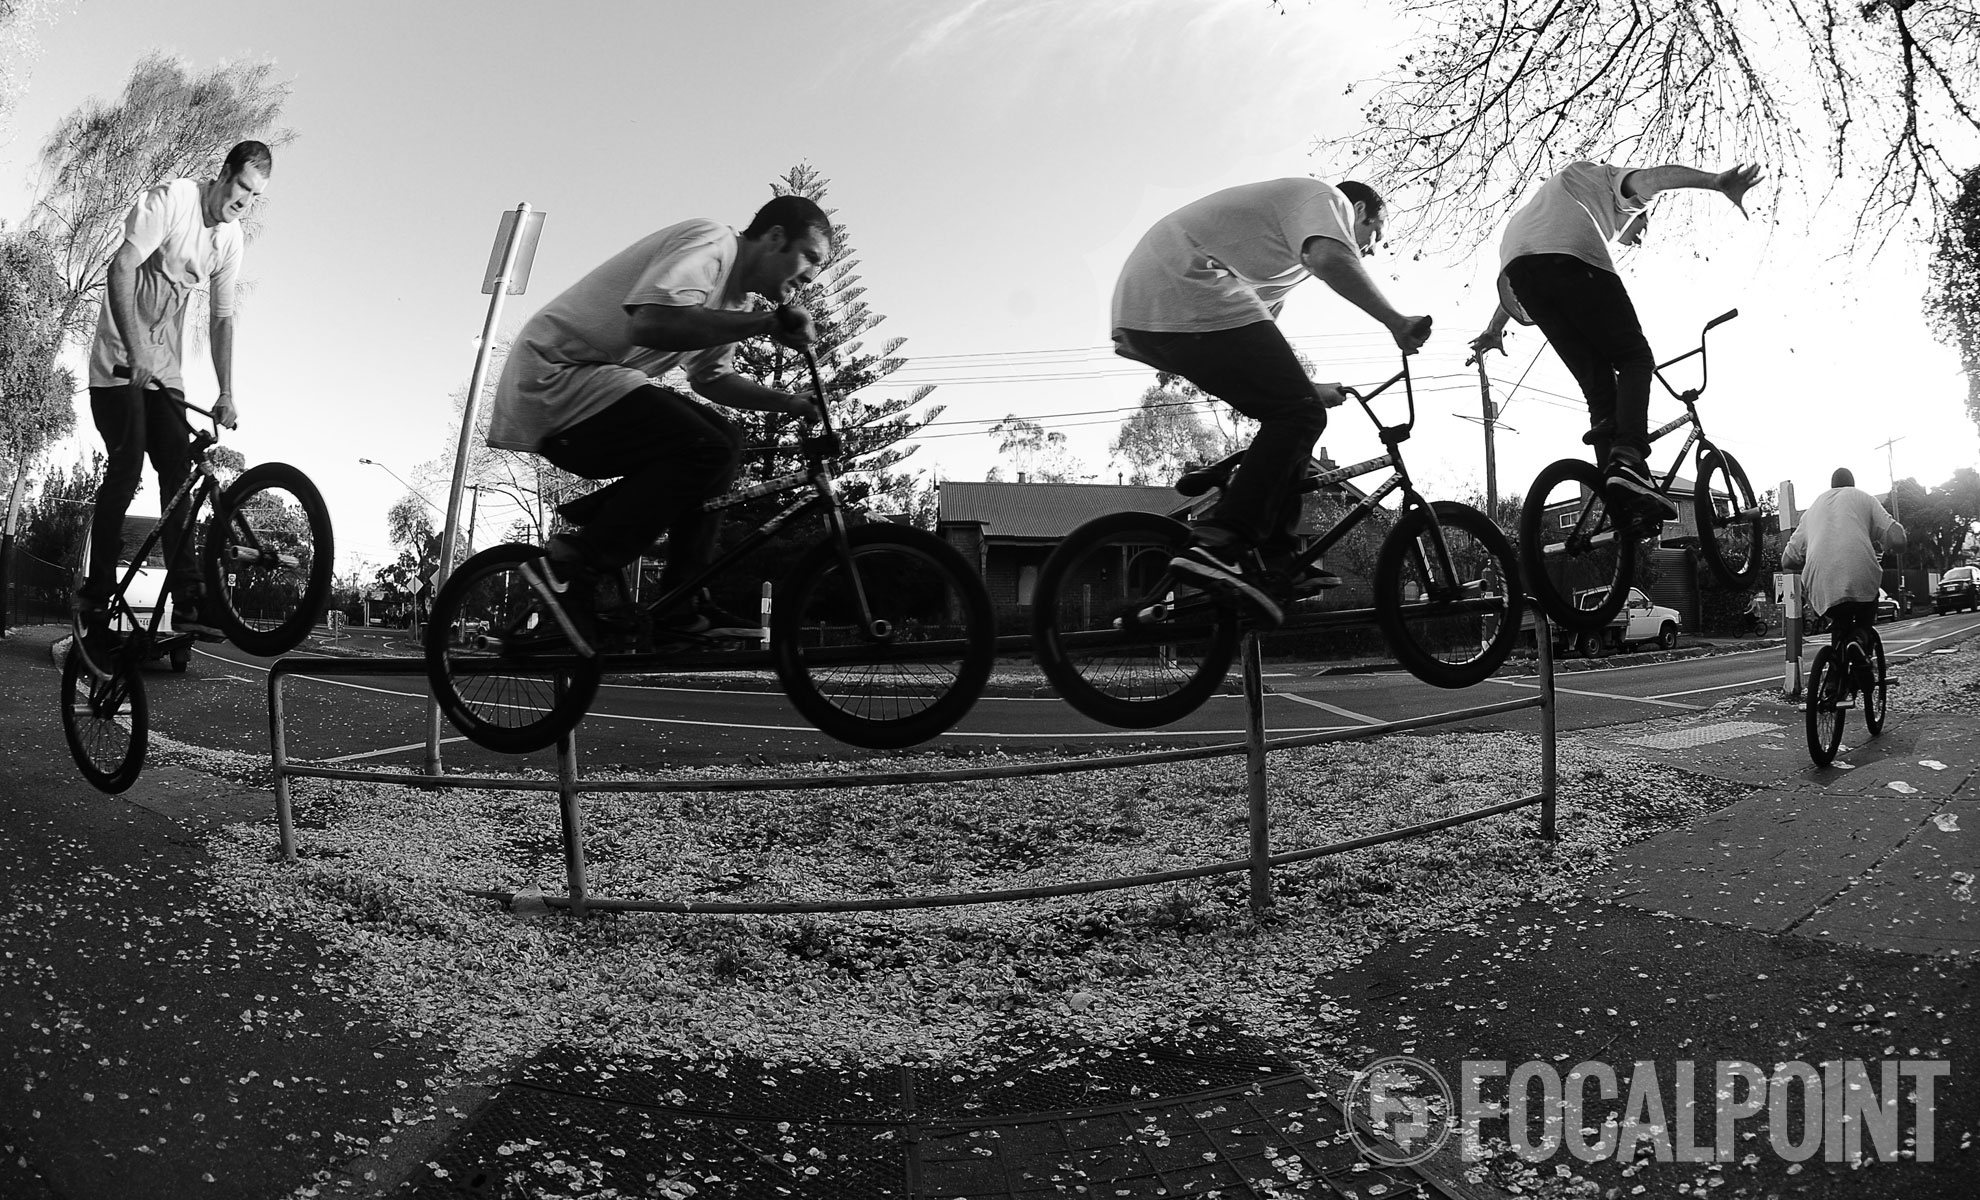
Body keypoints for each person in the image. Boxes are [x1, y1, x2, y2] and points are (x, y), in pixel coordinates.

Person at [486, 194, 831, 657]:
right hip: (555, 376)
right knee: (707, 446)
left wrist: (786, 402)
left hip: (589, 390)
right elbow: (650, 323)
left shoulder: (735, 300)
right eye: (810, 256)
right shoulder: (711, 242)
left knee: (726, 442)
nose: (812, 275)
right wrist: (765, 323)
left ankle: (681, 607)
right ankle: (571, 565)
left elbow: (712, 378)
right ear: (774, 237)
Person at [1110, 177, 1430, 627]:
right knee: (1299, 414)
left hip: (1156, 307)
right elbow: (1330, 258)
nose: (1372, 250)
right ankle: (1218, 542)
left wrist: (1307, 387)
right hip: (1184, 285)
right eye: (1375, 235)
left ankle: (1276, 560)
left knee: (1293, 412)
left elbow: (1259, 347)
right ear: (1358, 210)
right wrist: (1395, 320)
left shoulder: (1277, 264)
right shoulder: (1328, 199)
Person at [1468, 161, 1764, 533]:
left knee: (1599, 389)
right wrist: (1715, 182)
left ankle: (1620, 498)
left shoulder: (1552, 204)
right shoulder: (1604, 183)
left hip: (1518, 270)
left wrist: (1495, 328)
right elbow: (1652, 179)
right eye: (1642, 226)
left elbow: (1535, 258)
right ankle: (1629, 458)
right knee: (1635, 358)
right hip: (1568, 260)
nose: (1639, 236)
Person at [78, 140, 272, 643]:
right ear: (224, 174)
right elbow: (121, 267)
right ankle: (95, 596)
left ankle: (188, 599)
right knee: (126, 469)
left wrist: (227, 391)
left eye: (255, 196)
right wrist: (136, 349)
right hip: (118, 366)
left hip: (164, 374)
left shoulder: (230, 239)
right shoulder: (173, 200)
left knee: (177, 472)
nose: (244, 202)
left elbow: (222, 318)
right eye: (242, 187)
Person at [1781, 467, 1905, 682]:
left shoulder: (1812, 510)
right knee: (1866, 611)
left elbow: (1787, 561)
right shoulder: (1863, 498)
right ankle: (1859, 640)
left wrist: (1807, 559)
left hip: (1821, 583)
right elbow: (1898, 538)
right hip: (1860, 574)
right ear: (1852, 485)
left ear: (1831, 487)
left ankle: (1832, 682)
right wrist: (1893, 547)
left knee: (1839, 619)